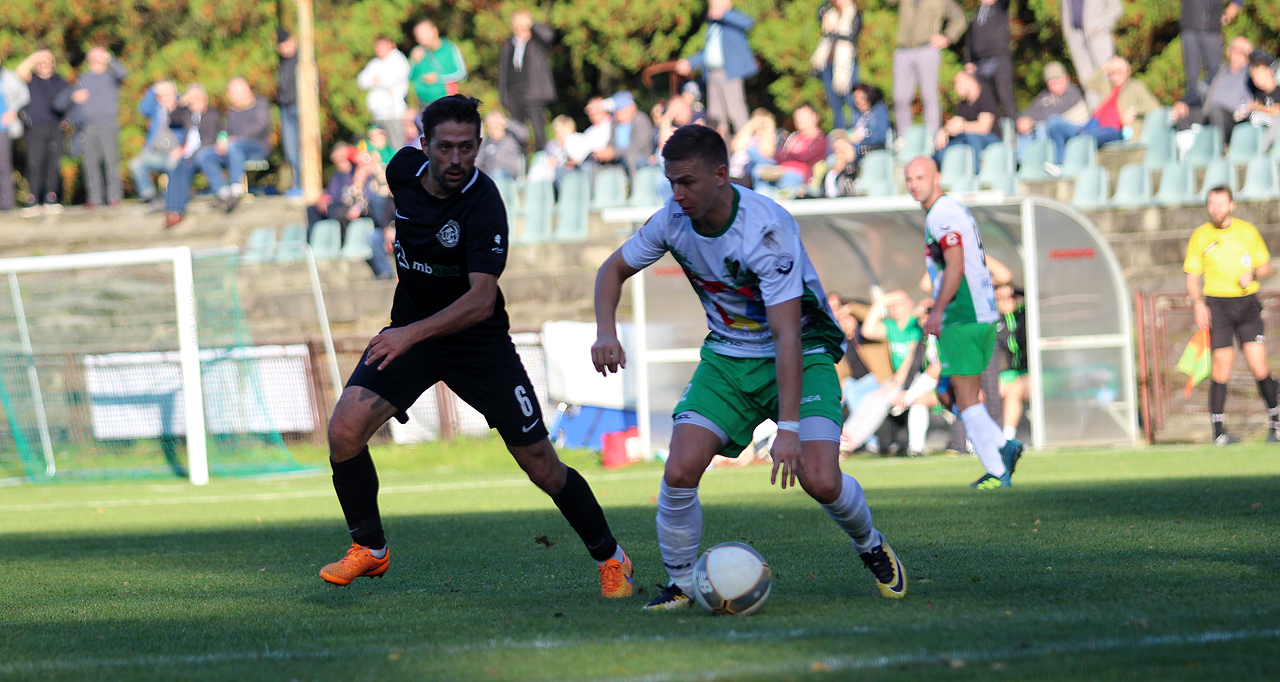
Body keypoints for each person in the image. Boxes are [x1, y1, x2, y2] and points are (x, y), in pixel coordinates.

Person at [318, 95, 635, 600]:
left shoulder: (484, 204)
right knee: (344, 430)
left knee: (542, 465)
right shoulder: (401, 171)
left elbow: (480, 300)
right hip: (413, 337)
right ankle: (371, 549)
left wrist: (408, 333)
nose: (457, 159)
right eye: (445, 147)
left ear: (480, 146)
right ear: (424, 146)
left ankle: (612, 558)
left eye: (467, 147)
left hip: (477, 345)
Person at [591, 124, 907, 610]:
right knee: (678, 470)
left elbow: (786, 335)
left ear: (721, 175)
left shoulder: (766, 229)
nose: (677, 194)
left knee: (820, 479)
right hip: (728, 359)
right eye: (671, 181)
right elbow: (610, 270)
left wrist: (788, 427)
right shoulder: (671, 219)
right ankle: (680, 584)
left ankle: (871, 545)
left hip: (802, 352)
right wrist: (606, 331)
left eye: (687, 182)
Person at [904, 156, 1023, 488]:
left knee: (962, 396)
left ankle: (999, 467)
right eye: (909, 179)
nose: (914, 184)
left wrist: (939, 309)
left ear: (937, 177)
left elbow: (955, 264)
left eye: (920, 177)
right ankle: (1001, 450)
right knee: (950, 392)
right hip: (974, 314)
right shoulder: (947, 212)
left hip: (964, 314)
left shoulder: (942, 214)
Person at [1184, 186, 1278, 445]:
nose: (1216, 208)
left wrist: (1254, 275)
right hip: (1218, 306)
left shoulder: (1246, 231)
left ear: (1232, 205)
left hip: (1247, 305)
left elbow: (1266, 266)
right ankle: (1219, 432)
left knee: (1258, 365)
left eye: (1221, 203)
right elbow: (1192, 275)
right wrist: (1197, 303)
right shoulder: (1201, 235)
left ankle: (1275, 424)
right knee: (1221, 367)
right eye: (1211, 203)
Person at [1044, 57, 1159, 166]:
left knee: (1086, 138)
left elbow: (1154, 106)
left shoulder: (1135, 86)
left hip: (1114, 130)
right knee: (1054, 123)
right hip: (1091, 125)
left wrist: (1133, 111)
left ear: (1127, 72)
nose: (1115, 76)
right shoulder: (1107, 86)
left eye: (1119, 72)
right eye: (1112, 73)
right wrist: (1104, 68)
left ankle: (1066, 163)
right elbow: (1089, 84)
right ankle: (1059, 163)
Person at [886, 0, 967, 138]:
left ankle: (932, 137)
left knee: (929, 96)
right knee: (900, 98)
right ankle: (903, 139)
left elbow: (959, 19)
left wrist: (947, 37)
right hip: (903, 50)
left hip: (927, 48)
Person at [675, 0, 757, 135]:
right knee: (716, 115)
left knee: (735, 110)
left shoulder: (731, 18)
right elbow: (707, 52)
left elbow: (748, 23)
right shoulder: (712, 25)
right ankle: (718, 149)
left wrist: (723, 14)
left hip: (729, 72)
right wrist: (689, 62)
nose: (711, 5)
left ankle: (746, 147)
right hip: (712, 73)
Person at [196, 78, 271, 213]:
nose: (231, 96)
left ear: (245, 90)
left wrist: (235, 140)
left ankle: (236, 189)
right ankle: (222, 192)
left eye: (233, 92)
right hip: (233, 149)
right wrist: (221, 142)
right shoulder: (232, 111)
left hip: (256, 147)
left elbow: (261, 126)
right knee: (205, 155)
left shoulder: (260, 104)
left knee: (234, 146)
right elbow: (226, 131)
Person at [66, 46, 126, 207]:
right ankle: (94, 198)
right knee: (90, 163)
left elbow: (123, 73)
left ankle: (114, 197)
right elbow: (75, 102)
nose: (96, 61)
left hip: (108, 125)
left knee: (111, 161)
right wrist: (74, 100)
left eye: (99, 58)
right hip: (88, 127)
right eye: (93, 58)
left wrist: (110, 58)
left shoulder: (111, 77)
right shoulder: (84, 78)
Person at [1172, 36, 1254, 149]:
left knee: (1217, 112)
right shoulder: (1218, 72)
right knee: (1183, 117)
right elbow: (1200, 91)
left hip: (1234, 118)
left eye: (1243, 51)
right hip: (1209, 113)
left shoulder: (1251, 74)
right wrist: (1184, 102)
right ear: (1228, 51)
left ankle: (1219, 150)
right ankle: (1186, 156)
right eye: (1235, 49)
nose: (1238, 53)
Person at [15, 49, 69, 210]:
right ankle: (33, 197)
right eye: (41, 61)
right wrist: (36, 56)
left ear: (53, 64)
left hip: (55, 127)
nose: (44, 64)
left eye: (47, 60)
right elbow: (20, 71)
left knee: (53, 163)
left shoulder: (61, 81)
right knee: (35, 162)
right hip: (35, 127)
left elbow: (69, 102)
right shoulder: (31, 80)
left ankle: (51, 197)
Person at [498, 11, 556, 151]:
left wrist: (531, 24)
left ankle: (541, 163)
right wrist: (504, 97)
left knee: (539, 132)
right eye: (518, 24)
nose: (521, 28)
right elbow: (502, 73)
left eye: (523, 24)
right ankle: (520, 165)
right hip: (513, 94)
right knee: (517, 133)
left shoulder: (537, 43)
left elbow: (549, 36)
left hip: (534, 93)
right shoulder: (508, 45)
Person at [165, 84, 219, 228]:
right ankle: (171, 209)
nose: (194, 104)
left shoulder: (212, 115)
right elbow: (173, 117)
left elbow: (209, 140)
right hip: (187, 154)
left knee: (184, 168)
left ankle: (178, 210)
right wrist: (182, 102)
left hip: (202, 154)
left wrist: (189, 154)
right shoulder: (187, 115)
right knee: (174, 168)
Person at [1014, 62, 1089, 160]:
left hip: (1077, 130)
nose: (1055, 85)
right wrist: (1024, 120)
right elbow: (1030, 111)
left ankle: (1046, 162)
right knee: (1024, 127)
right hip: (1055, 130)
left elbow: (1053, 112)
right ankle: (1022, 162)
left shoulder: (1074, 93)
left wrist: (1031, 122)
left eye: (1058, 81)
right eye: (1051, 82)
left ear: (1066, 78)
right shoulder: (1046, 96)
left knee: (1045, 125)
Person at [129, 81, 184, 210]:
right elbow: (143, 108)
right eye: (162, 96)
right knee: (136, 164)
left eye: (169, 95)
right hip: (156, 153)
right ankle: (150, 196)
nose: (166, 99)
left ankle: (170, 198)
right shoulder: (157, 111)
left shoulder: (182, 111)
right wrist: (154, 89)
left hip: (175, 155)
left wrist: (181, 149)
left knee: (174, 166)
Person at [1061, 0, 1121, 108]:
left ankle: (1112, 113)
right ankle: (1096, 116)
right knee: (1086, 81)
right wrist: (1068, 34)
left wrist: (1102, 27)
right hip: (1075, 36)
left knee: (1107, 75)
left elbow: (1116, 7)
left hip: (1098, 35)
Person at [753, 104, 827, 192]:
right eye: (797, 117)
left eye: (803, 117)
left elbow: (805, 157)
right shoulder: (793, 137)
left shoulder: (820, 139)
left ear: (814, 117)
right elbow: (778, 156)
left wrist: (788, 155)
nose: (800, 120)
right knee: (756, 167)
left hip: (799, 175)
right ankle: (764, 198)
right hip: (780, 169)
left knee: (763, 171)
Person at [934, 71, 1000, 168]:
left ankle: (974, 171)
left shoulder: (985, 97)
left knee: (971, 137)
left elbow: (984, 127)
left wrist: (962, 127)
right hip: (970, 137)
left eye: (958, 84)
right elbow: (955, 122)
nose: (956, 88)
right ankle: (941, 166)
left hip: (991, 139)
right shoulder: (964, 104)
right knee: (944, 139)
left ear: (970, 81)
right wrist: (944, 131)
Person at [811, 0, 861, 130]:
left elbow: (852, 36)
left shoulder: (854, 14)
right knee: (835, 104)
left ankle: (855, 130)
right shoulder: (831, 14)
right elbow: (819, 13)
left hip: (846, 65)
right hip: (829, 64)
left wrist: (835, 34)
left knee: (851, 100)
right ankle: (839, 131)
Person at [1182, 0, 1244, 100]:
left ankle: (1215, 106)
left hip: (1212, 31)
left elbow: (1237, 2)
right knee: (1191, 75)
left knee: (1215, 73)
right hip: (1190, 28)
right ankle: (1192, 106)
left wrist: (1228, 15)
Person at [964, 0, 1015, 120]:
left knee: (1005, 97)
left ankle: (1015, 132)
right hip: (980, 62)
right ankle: (995, 134)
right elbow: (970, 38)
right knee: (987, 102)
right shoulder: (976, 13)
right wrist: (968, 60)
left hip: (999, 59)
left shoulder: (1000, 8)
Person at [357, 36, 411, 147]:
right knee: (380, 149)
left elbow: (389, 81)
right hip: (377, 114)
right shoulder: (375, 63)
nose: (379, 49)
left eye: (383, 45)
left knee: (396, 147)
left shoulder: (398, 60)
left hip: (393, 114)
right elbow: (361, 81)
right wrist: (374, 80)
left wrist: (376, 79)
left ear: (392, 45)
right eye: (377, 46)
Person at [592, 91, 653, 179]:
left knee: (630, 158)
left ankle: (634, 191)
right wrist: (605, 152)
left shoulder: (641, 120)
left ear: (632, 107)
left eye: (622, 110)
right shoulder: (615, 123)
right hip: (619, 157)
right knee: (596, 164)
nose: (618, 113)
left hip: (640, 157)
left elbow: (638, 146)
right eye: (617, 110)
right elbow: (611, 143)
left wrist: (614, 152)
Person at [409, 20, 468, 107]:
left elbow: (462, 74)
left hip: (445, 101)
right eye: (417, 34)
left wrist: (438, 78)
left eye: (424, 32)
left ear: (434, 31)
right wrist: (415, 62)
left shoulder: (449, 48)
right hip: (423, 103)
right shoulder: (418, 52)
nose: (421, 37)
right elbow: (411, 78)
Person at [994, 284, 1027, 442]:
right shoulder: (996, 323)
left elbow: (1037, 295)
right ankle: (977, 441)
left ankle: (1007, 440)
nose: (1006, 301)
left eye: (1010, 297)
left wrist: (1014, 289)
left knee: (1014, 389)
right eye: (1001, 298)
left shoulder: (1026, 315)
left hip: (1032, 373)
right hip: (1010, 374)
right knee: (990, 390)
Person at [306, 143, 357, 238]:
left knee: (333, 209)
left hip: (347, 205)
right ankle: (314, 240)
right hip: (333, 204)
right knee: (311, 210)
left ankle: (337, 239)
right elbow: (331, 193)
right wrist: (323, 201)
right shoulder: (336, 175)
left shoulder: (355, 172)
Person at [0, 61, 31, 212]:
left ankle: (6, 205)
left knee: (3, 167)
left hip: (3, 129)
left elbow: (24, 96)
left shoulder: (8, 77)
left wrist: (13, 111)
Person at [277, 30, 302, 197]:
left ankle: (305, 184)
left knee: (303, 148)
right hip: (285, 108)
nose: (284, 48)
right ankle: (297, 184)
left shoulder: (303, 59)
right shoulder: (281, 62)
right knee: (291, 151)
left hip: (300, 107)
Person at [476, 110, 528, 180]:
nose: (493, 127)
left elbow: (524, 134)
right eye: (490, 125)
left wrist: (507, 122)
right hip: (490, 174)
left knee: (497, 174)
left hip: (508, 173)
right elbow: (478, 162)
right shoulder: (487, 143)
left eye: (495, 124)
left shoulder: (511, 139)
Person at [1245, 50, 1279, 152]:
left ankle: (1262, 150)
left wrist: (1258, 108)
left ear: (1270, 72)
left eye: (1260, 75)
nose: (1258, 80)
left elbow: (1277, 111)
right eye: (1254, 77)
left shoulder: (1278, 91)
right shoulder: (1258, 95)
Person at [848, 83, 889, 161]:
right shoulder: (857, 114)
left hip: (869, 148)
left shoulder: (879, 110)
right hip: (854, 146)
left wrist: (862, 138)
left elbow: (881, 136)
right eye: (855, 99)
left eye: (862, 98)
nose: (858, 102)